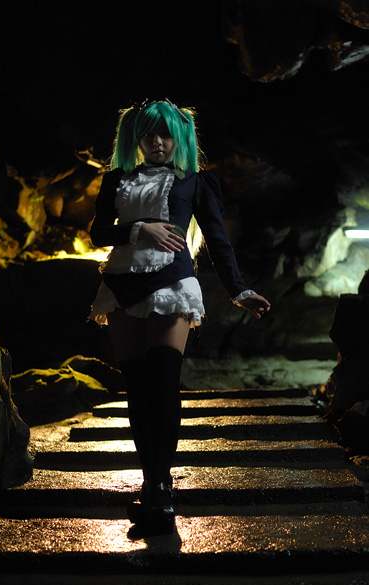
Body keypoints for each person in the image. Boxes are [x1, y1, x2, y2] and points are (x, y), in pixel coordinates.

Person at [89, 99, 270, 535]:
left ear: (180, 137)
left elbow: (218, 239)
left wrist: (239, 290)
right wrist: (139, 229)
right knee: (137, 390)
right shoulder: (116, 179)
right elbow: (97, 233)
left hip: (172, 283)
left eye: (166, 134)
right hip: (120, 285)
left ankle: (162, 487)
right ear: (136, 138)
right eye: (149, 134)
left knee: (164, 382)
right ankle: (150, 485)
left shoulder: (195, 181)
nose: (157, 142)